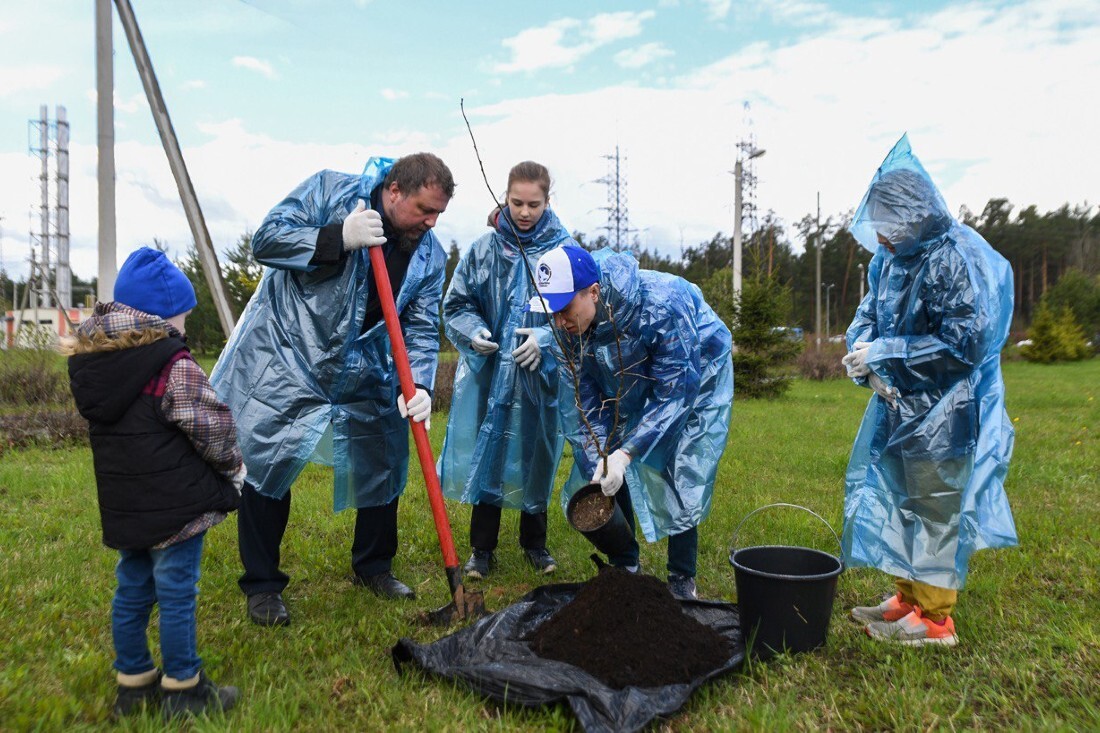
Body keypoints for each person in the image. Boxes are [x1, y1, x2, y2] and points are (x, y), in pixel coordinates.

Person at [210, 153, 453, 626]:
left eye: (439, 213)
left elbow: (421, 326)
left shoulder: (429, 253)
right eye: (424, 209)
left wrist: (420, 382)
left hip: (364, 365)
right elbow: (267, 240)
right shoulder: (330, 193)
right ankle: (262, 585)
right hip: (289, 355)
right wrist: (337, 237)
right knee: (268, 462)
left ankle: (374, 567)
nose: (431, 221)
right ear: (394, 191)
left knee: (383, 457)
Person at [841, 135, 1016, 647]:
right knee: (901, 500)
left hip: (945, 408)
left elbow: (963, 345)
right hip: (897, 405)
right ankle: (907, 599)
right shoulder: (889, 260)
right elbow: (867, 314)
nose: (882, 237)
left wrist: (885, 354)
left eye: (888, 225)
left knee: (935, 506)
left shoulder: (952, 258)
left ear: (914, 215)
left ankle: (937, 621)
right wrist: (861, 353)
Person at [63, 247, 244, 718]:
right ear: (162, 316)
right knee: (177, 592)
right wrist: (233, 467)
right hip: (175, 509)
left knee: (132, 588)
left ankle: (133, 684)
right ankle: (184, 689)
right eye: (182, 316)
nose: (183, 326)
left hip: (126, 506)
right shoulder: (173, 365)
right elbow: (212, 428)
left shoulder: (95, 365)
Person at [529, 244, 734, 600]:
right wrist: (602, 458)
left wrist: (628, 453)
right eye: (552, 312)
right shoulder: (568, 328)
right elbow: (582, 401)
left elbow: (675, 393)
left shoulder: (661, 304)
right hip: (625, 374)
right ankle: (625, 564)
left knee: (678, 465)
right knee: (604, 462)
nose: (559, 321)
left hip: (696, 376)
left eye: (565, 309)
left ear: (593, 292)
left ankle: (681, 577)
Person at [439, 161, 573, 579]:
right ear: (505, 197)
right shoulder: (484, 250)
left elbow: (578, 311)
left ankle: (535, 544)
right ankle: (482, 550)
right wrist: (474, 332)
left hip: (539, 373)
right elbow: (457, 303)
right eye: (517, 202)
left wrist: (547, 343)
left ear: (548, 201)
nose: (525, 212)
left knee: (537, 453)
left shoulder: (564, 251)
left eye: (534, 203)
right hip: (491, 372)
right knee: (491, 448)